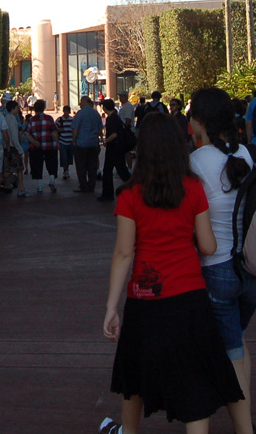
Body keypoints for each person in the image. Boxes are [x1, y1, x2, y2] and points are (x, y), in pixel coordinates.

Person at [102, 111, 243, 433]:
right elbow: (207, 246)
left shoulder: (129, 194)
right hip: (190, 296)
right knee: (194, 382)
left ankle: (128, 431)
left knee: (134, 375)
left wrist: (112, 306)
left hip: (145, 298)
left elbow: (124, 252)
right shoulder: (193, 188)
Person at [188, 86, 256, 434]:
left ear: (200, 121)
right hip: (255, 268)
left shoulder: (196, 161)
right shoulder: (251, 154)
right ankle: (245, 420)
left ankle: (244, 429)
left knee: (231, 349)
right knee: (238, 339)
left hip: (218, 268)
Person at [98, 98, 133, 202]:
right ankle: (133, 188)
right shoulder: (115, 117)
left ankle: (108, 194)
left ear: (104, 108)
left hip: (114, 147)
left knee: (112, 170)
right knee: (120, 169)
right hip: (117, 147)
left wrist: (105, 141)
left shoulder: (112, 118)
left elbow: (114, 134)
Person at [26, 99, 60, 194]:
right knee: (52, 163)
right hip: (50, 145)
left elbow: (27, 133)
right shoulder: (49, 118)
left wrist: (34, 142)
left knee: (37, 164)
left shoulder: (31, 120)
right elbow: (54, 132)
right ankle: (52, 180)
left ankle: (40, 185)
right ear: (44, 108)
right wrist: (58, 143)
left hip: (36, 147)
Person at [72, 96, 103, 193]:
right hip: (93, 143)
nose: (79, 104)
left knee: (81, 166)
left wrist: (74, 140)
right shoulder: (96, 113)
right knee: (92, 166)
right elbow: (100, 130)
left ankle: (83, 186)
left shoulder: (80, 114)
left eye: (81, 101)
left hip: (82, 143)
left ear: (85, 102)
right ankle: (91, 185)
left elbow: (75, 129)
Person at [2, 99, 27, 197]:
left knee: (12, 169)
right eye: (17, 108)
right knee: (16, 168)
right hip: (13, 148)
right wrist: (19, 148)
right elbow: (13, 136)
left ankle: (21, 188)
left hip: (9, 147)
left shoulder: (7, 118)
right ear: (12, 108)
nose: (18, 109)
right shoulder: (12, 119)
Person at [57, 104, 75, 181]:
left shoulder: (72, 120)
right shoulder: (59, 120)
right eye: (65, 111)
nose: (66, 113)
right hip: (62, 141)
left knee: (69, 157)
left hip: (70, 141)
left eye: (67, 111)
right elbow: (55, 129)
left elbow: (74, 130)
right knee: (64, 157)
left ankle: (67, 169)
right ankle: (65, 170)